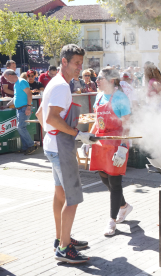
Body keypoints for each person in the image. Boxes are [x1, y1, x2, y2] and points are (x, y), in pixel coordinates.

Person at [35, 44, 95, 264]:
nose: (80, 67)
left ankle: (62, 237)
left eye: (81, 63)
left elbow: (40, 113)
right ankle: (63, 248)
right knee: (73, 198)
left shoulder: (54, 83)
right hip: (61, 146)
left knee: (60, 194)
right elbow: (51, 118)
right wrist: (77, 134)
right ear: (64, 61)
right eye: (76, 63)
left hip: (52, 144)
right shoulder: (61, 86)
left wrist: (49, 137)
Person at [83, 66, 133, 236]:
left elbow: (127, 124)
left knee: (115, 182)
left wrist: (123, 148)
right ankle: (124, 206)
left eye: (100, 79)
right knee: (104, 178)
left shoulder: (120, 98)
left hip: (116, 143)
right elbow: (98, 122)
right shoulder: (98, 96)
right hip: (100, 143)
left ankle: (112, 221)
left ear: (111, 80)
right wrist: (89, 139)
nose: (96, 81)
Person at [3, 69, 37, 154]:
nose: (6, 80)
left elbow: (29, 94)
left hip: (24, 108)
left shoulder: (21, 82)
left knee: (21, 127)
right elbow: (16, 97)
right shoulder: (17, 83)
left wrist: (28, 107)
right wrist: (6, 105)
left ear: (10, 75)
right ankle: (26, 147)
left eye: (6, 78)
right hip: (20, 109)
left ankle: (31, 145)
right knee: (21, 128)